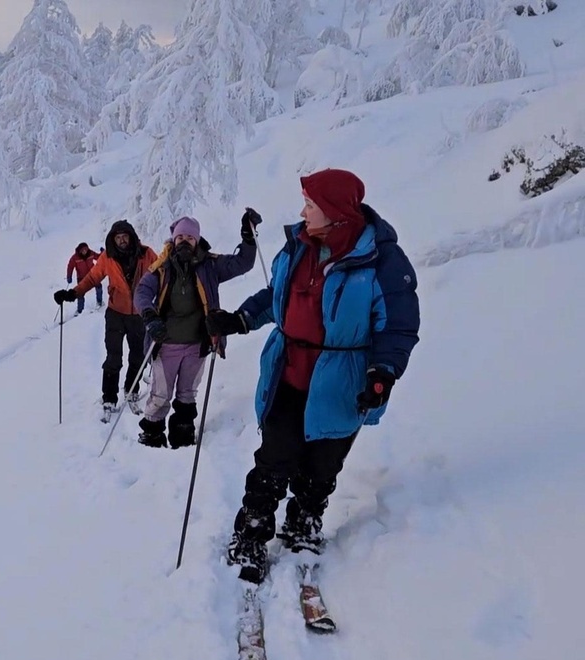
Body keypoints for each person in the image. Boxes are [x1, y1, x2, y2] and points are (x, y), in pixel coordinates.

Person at [208, 168, 421, 584]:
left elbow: (397, 325)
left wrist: (383, 372)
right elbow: (278, 297)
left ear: (336, 212)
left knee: (323, 464)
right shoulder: (298, 246)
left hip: (343, 381)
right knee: (274, 456)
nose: (303, 211)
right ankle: (252, 530)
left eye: (310, 204)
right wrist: (241, 318)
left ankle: (304, 522)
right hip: (288, 372)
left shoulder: (381, 261)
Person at [132, 213, 259, 448]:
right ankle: (152, 434)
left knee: (187, 392)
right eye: (180, 236)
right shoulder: (161, 267)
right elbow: (141, 293)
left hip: (197, 343)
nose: (184, 241)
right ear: (173, 239)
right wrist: (149, 315)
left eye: (189, 237)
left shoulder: (210, 265)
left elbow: (243, 263)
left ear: (197, 240)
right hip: (165, 343)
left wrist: (248, 238)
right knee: (160, 394)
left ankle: (183, 434)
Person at [53, 220, 159, 419]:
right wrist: (72, 294)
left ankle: (131, 389)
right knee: (113, 357)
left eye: (125, 237)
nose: (121, 241)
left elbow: (161, 274)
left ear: (131, 237)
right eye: (118, 238)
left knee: (138, 355)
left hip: (139, 314)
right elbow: (93, 278)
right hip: (115, 314)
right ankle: (109, 398)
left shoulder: (147, 254)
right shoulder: (107, 257)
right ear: (113, 239)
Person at [65, 242, 102, 315]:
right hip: (81, 277)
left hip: (92, 275)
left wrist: (103, 253)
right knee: (80, 293)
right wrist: (69, 276)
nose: (85, 251)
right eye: (83, 250)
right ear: (80, 251)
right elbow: (70, 266)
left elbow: (99, 257)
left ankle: (99, 302)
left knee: (99, 287)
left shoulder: (91, 253)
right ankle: (80, 310)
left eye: (86, 249)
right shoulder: (75, 258)